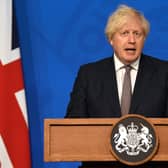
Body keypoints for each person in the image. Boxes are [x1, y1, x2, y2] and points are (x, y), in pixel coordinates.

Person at [65, 4, 168, 168]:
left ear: (144, 39)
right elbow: (74, 125)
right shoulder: (89, 74)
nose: (132, 40)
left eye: (137, 34)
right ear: (111, 39)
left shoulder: (164, 73)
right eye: (124, 33)